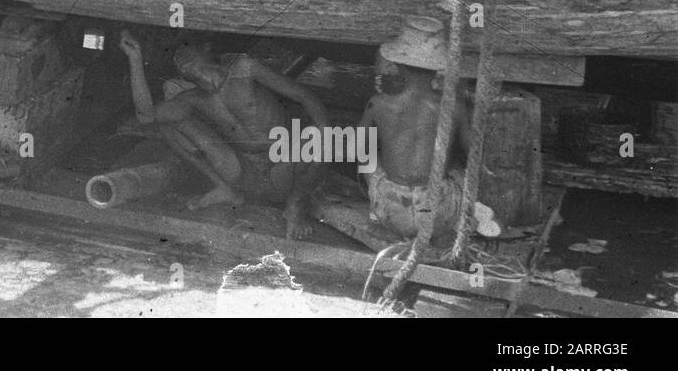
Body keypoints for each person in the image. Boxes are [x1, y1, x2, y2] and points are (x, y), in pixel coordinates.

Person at [119, 30, 329, 240]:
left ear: (207, 48)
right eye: (176, 58)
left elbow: (306, 97)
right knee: (168, 124)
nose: (181, 58)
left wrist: (325, 137)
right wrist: (135, 59)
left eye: (186, 49)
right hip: (244, 174)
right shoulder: (191, 99)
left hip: (284, 169)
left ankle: (295, 205)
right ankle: (225, 189)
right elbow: (146, 116)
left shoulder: (244, 68)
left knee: (318, 136)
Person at [359, 15, 498, 241]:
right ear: (438, 68)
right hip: (436, 214)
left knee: (370, 160)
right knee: (457, 169)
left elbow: (361, 150)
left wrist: (377, 181)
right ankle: (469, 213)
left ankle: (376, 215)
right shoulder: (454, 107)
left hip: (390, 211)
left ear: (398, 64)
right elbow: (475, 154)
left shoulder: (378, 104)